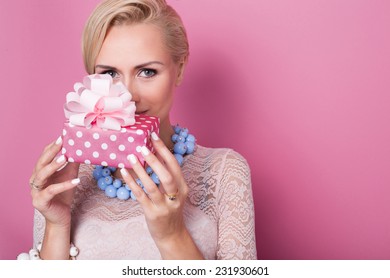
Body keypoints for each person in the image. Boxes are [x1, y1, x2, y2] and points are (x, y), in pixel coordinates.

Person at [24, 0, 257, 259]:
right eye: (111, 74)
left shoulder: (223, 172)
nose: (128, 96)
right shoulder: (68, 177)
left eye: (147, 71)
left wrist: (172, 235)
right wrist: (56, 223)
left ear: (179, 69)